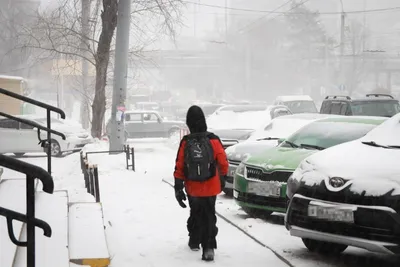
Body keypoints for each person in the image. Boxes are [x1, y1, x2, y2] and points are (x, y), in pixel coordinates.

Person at [173, 105, 228, 262]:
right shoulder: (213, 139)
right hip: (211, 186)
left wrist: (178, 187)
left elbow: (180, 165)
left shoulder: (186, 142)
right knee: (209, 215)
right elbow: (223, 162)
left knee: (196, 212)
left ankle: (194, 239)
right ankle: (208, 247)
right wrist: (222, 178)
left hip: (193, 187)